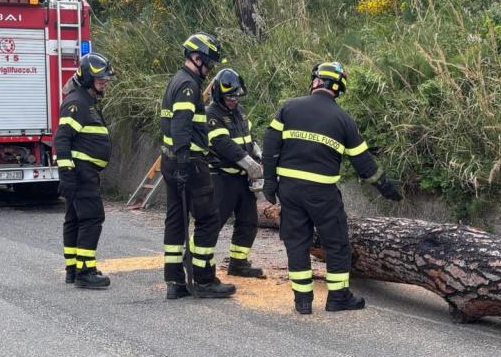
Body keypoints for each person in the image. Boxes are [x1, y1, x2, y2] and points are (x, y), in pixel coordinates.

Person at [262, 61, 403, 315]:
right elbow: (364, 164)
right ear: (338, 89)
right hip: (322, 194)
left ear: (316, 81)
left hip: (290, 191)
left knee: (297, 242)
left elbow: (271, 146)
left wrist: (270, 182)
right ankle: (338, 297)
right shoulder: (343, 120)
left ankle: (302, 301)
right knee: (336, 243)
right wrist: (385, 187)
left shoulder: (289, 108)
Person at [160, 32, 236, 299]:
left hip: (172, 160)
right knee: (207, 218)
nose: (211, 68)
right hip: (189, 162)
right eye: (209, 63)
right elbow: (181, 126)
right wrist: (184, 162)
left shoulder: (176, 81)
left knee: (176, 220)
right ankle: (203, 279)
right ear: (196, 58)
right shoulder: (189, 86)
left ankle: (175, 281)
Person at [56, 53, 115, 289]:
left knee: (74, 219)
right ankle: (85, 270)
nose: (105, 84)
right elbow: (62, 140)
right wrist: (68, 175)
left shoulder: (84, 100)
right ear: (89, 79)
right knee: (92, 218)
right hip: (81, 173)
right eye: (101, 81)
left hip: (81, 172)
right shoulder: (77, 103)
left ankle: (73, 267)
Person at [205, 68, 266, 278]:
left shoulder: (239, 112)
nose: (234, 100)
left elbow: (249, 139)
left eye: (237, 96)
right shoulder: (212, 114)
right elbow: (223, 144)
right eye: (230, 97)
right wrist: (250, 164)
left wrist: (259, 155)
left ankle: (238, 264)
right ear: (218, 94)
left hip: (242, 180)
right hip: (222, 179)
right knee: (213, 223)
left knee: (248, 222)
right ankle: (200, 266)